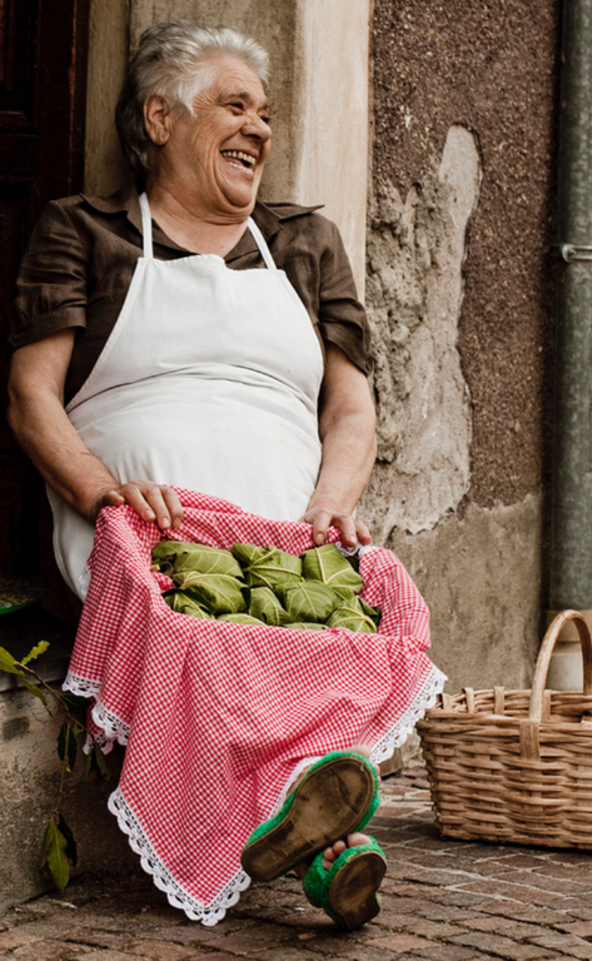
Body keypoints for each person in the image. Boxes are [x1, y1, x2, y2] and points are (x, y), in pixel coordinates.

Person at [7, 21, 443, 928]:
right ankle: (327, 838)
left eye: (269, 113)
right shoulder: (84, 232)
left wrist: (330, 504)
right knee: (198, 633)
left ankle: (312, 836)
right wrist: (101, 491)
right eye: (235, 106)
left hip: (282, 539)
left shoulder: (304, 242)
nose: (261, 128)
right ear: (160, 117)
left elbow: (351, 408)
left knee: (369, 610)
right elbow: (30, 396)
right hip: (141, 534)